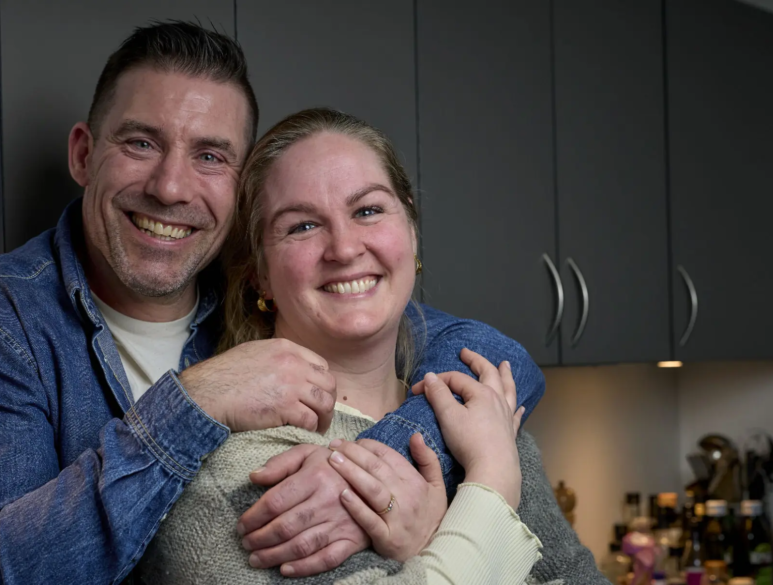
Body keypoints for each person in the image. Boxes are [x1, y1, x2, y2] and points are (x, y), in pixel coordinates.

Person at [0, 21, 600, 585]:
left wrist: (369, 475)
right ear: (83, 154)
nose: (171, 187)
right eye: (140, 143)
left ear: (238, 190)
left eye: (210, 156)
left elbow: (490, 354)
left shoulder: (255, 297)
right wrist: (191, 404)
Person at [137, 107, 542, 584]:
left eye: (368, 211)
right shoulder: (238, 474)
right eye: (302, 226)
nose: (345, 249)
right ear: (259, 273)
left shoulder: (474, 410)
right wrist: (492, 480)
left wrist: (433, 540)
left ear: (411, 229)